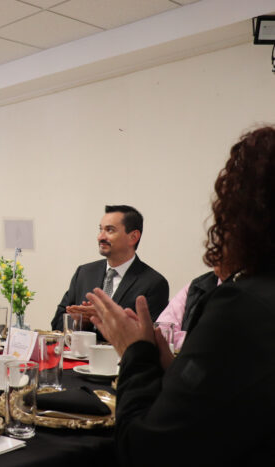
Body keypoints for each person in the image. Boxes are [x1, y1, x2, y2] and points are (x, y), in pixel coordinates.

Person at [86, 126, 275, 466]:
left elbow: (146, 447)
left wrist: (136, 354)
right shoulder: (85, 271)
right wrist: (172, 368)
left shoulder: (241, 304)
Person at [50, 205, 169, 332]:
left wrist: (105, 317)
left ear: (133, 237)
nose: (100, 237)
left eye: (110, 230)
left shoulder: (154, 283)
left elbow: (150, 335)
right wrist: (79, 322)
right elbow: (56, 324)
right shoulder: (84, 273)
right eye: (100, 229)